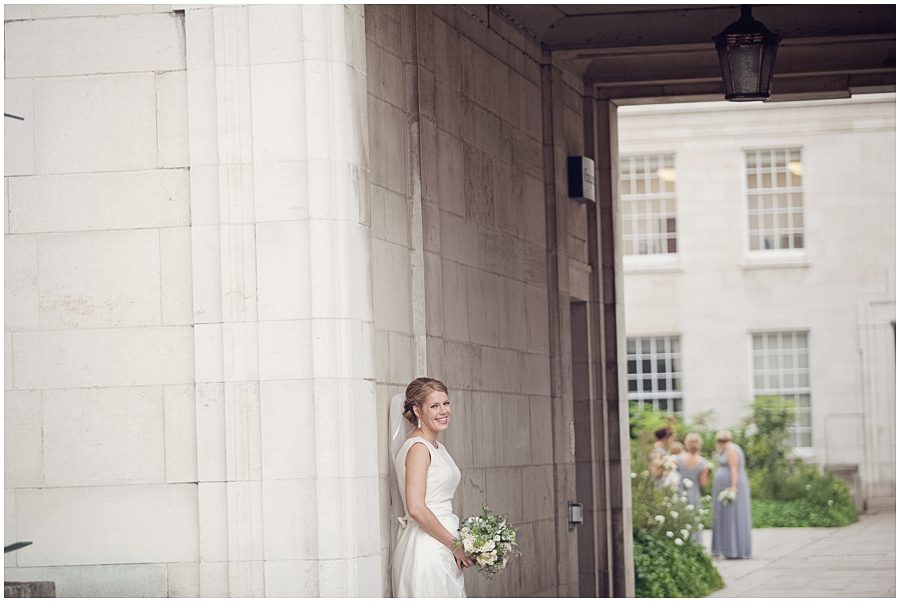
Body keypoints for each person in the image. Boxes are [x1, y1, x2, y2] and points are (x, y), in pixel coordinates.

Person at [389, 377, 471, 597]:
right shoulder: (418, 448)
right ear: (417, 410)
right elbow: (416, 507)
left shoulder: (437, 447)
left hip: (442, 543)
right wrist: (455, 545)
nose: (443, 411)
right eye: (434, 406)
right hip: (428, 548)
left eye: (446, 403)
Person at [711, 429, 752, 558]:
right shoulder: (729, 448)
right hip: (725, 485)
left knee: (732, 516)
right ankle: (727, 547)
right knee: (726, 516)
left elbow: (734, 469)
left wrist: (733, 489)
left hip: (730, 486)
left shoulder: (730, 449)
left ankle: (733, 549)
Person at [674, 433, 710, 543]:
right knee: (694, 517)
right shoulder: (703, 462)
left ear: (686, 444)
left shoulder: (678, 459)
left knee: (679, 516)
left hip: (680, 491)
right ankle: (694, 543)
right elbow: (703, 483)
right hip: (694, 492)